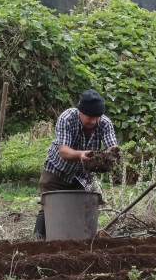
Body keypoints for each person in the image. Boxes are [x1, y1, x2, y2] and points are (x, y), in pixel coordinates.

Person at [34, 88, 117, 239]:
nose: (93, 121)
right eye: (89, 117)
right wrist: (81, 154)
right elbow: (64, 151)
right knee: (49, 208)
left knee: (80, 209)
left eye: (96, 117)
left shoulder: (104, 123)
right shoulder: (67, 118)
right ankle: (37, 243)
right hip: (56, 171)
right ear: (80, 111)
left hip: (82, 176)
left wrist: (112, 153)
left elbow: (112, 146)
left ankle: (76, 244)